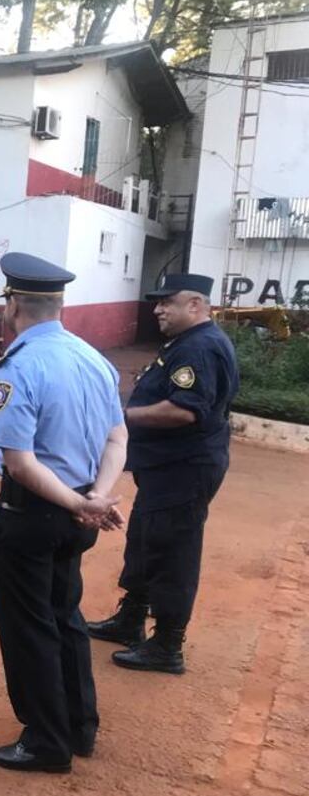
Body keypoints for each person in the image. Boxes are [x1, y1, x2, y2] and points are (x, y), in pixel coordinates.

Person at [0, 252, 127, 773]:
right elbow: (117, 437)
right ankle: (79, 726)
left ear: (14, 304)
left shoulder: (19, 366)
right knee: (66, 616)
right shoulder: (93, 358)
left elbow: (20, 463)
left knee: (30, 626)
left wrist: (80, 503)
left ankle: (46, 740)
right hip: (79, 512)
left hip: (33, 514)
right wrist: (96, 498)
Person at [86, 273, 238, 675]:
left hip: (184, 470)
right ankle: (131, 619)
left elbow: (184, 410)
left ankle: (168, 644)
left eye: (167, 302)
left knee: (173, 551)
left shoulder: (200, 347)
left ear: (195, 305)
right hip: (166, 469)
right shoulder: (186, 343)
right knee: (146, 540)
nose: (157, 310)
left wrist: (120, 416)